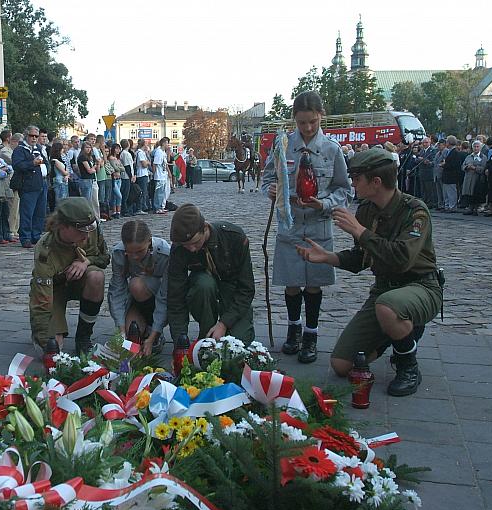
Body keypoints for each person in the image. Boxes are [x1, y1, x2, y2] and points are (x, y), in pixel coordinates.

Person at [295, 148, 442, 396]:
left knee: (388, 306)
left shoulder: (414, 211)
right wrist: (328, 257)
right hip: (385, 291)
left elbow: (402, 259)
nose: (353, 183)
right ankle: (396, 334)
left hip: (421, 287)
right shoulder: (367, 210)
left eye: (357, 178)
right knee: (342, 364)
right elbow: (362, 258)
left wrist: (360, 232)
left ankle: (408, 366)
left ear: (376, 182)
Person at [261, 90, 352, 364]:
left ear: (321, 116)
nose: (308, 127)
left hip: (317, 226)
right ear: (294, 120)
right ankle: (293, 329)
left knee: (313, 284)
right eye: (302, 122)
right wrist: (271, 189)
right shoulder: (283, 146)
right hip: (289, 227)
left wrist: (323, 203)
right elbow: (266, 179)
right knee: (291, 283)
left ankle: (311, 334)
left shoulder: (332, 150)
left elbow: (344, 190)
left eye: (313, 121)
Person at [29, 197, 109, 354]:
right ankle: (52, 335)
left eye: (89, 229)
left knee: (97, 277)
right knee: (53, 348)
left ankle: (83, 337)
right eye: (81, 231)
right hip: (54, 290)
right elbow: (41, 300)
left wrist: (85, 263)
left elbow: (104, 258)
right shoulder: (45, 251)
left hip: (81, 283)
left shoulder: (91, 229)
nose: (86, 236)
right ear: (63, 226)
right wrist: (43, 337)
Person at [167, 204, 255, 343]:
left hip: (232, 292)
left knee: (238, 344)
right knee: (204, 284)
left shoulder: (234, 237)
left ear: (205, 228)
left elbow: (247, 289)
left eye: (195, 243)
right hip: (204, 290)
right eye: (186, 245)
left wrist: (224, 323)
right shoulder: (179, 248)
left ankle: (222, 330)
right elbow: (175, 296)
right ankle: (206, 336)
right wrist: (179, 341)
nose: (190, 249)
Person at [108, 220, 169, 355]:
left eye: (140, 251)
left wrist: (154, 333)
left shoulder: (165, 254)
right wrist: (121, 330)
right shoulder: (118, 253)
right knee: (132, 333)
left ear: (149, 241)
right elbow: (117, 291)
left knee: (137, 285)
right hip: (134, 299)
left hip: (156, 296)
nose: (135, 257)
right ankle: (143, 329)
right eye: (130, 252)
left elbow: (165, 296)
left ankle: (154, 331)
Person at [12, 125, 48, 248]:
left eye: (36, 136)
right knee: (27, 212)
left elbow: (46, 162)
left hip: (41, 183)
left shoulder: (39, 148)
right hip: (28, 185)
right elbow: (17, 165)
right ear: (26, 135)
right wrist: (32, 163)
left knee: (40, 213)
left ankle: (35, 236)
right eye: (32, 136)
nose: (34, 138)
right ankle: (25, 237)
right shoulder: (20, 149)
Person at [461, 140, 487, 216]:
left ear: (480, 148)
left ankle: (476, 208)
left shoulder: (483, 157)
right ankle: (470, 207)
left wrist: (475, 168)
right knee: (468, 193)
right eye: (474, 147)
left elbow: (483, 168)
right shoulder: (469, 156)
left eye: (477, 147)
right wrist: (466, 167)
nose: (476, 148)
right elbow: (462, 166)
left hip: (477, 178)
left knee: (475, 193)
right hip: (468, 177)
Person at [76, 141, 99, 218]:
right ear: (83, 148)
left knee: (93, 200)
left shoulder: (90, 157)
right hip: (86, 180)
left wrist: (96, 165)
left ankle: (93, 217)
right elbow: (89, 170)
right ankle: (86, 217)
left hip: (91, 180)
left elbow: (95, 170)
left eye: (89, 147)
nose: (88, 149)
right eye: (87, 147)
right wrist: (95, 166)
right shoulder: (82, 157)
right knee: (87, 201)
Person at [107, 143, 125, 219]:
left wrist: (119, 168)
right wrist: (119, 167)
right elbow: (116, 168)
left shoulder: (117, 159)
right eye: (116, 148)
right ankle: (115, 211)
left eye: (119, 148)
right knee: (119, 196)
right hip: (114, 179)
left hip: (119, 179)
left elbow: (123, 169)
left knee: (115, 197)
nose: (118, 150)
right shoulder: (111, 158)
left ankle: (117, 212)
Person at [135, 138, 151, 214]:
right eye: (146, 144)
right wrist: (147, 162)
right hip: (141, 174)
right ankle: (140, 208)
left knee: (144, 191)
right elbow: (144, 164)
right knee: (142, 192)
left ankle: (143, 206)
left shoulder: (142, 152)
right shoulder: (140, 152)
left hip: (143, 174)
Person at [119, 139, 135, 216]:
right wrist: (131, 176)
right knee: (125, 194)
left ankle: (126, 209)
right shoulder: (125, 154)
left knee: (126, 194)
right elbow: (127, 166)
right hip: (126, 176)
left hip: (126, 176)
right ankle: (124, 210)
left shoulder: (125, 153)